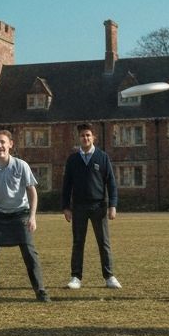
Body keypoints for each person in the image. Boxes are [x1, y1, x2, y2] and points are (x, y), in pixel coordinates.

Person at [0, 128, 50, 302]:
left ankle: (40, 291)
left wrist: (32, 217)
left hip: (20, 215)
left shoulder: (21, 165)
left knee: (30, 253)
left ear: (10, 145)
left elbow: (32, 192)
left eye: (2, 142)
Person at [60, 123, 121, 289]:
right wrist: (66, 207)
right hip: (78, 207)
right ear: (78, 138)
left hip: (99, 206)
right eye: (82, 135)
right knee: (78, 242)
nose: (85, 138)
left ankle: (109, 276)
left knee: (103, 243)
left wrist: (112, 205)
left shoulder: (102, 157)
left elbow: (111, 183)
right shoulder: (73, 160)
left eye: (88, 135)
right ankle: (76, 277)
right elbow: (67, 185)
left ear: (93, 137)